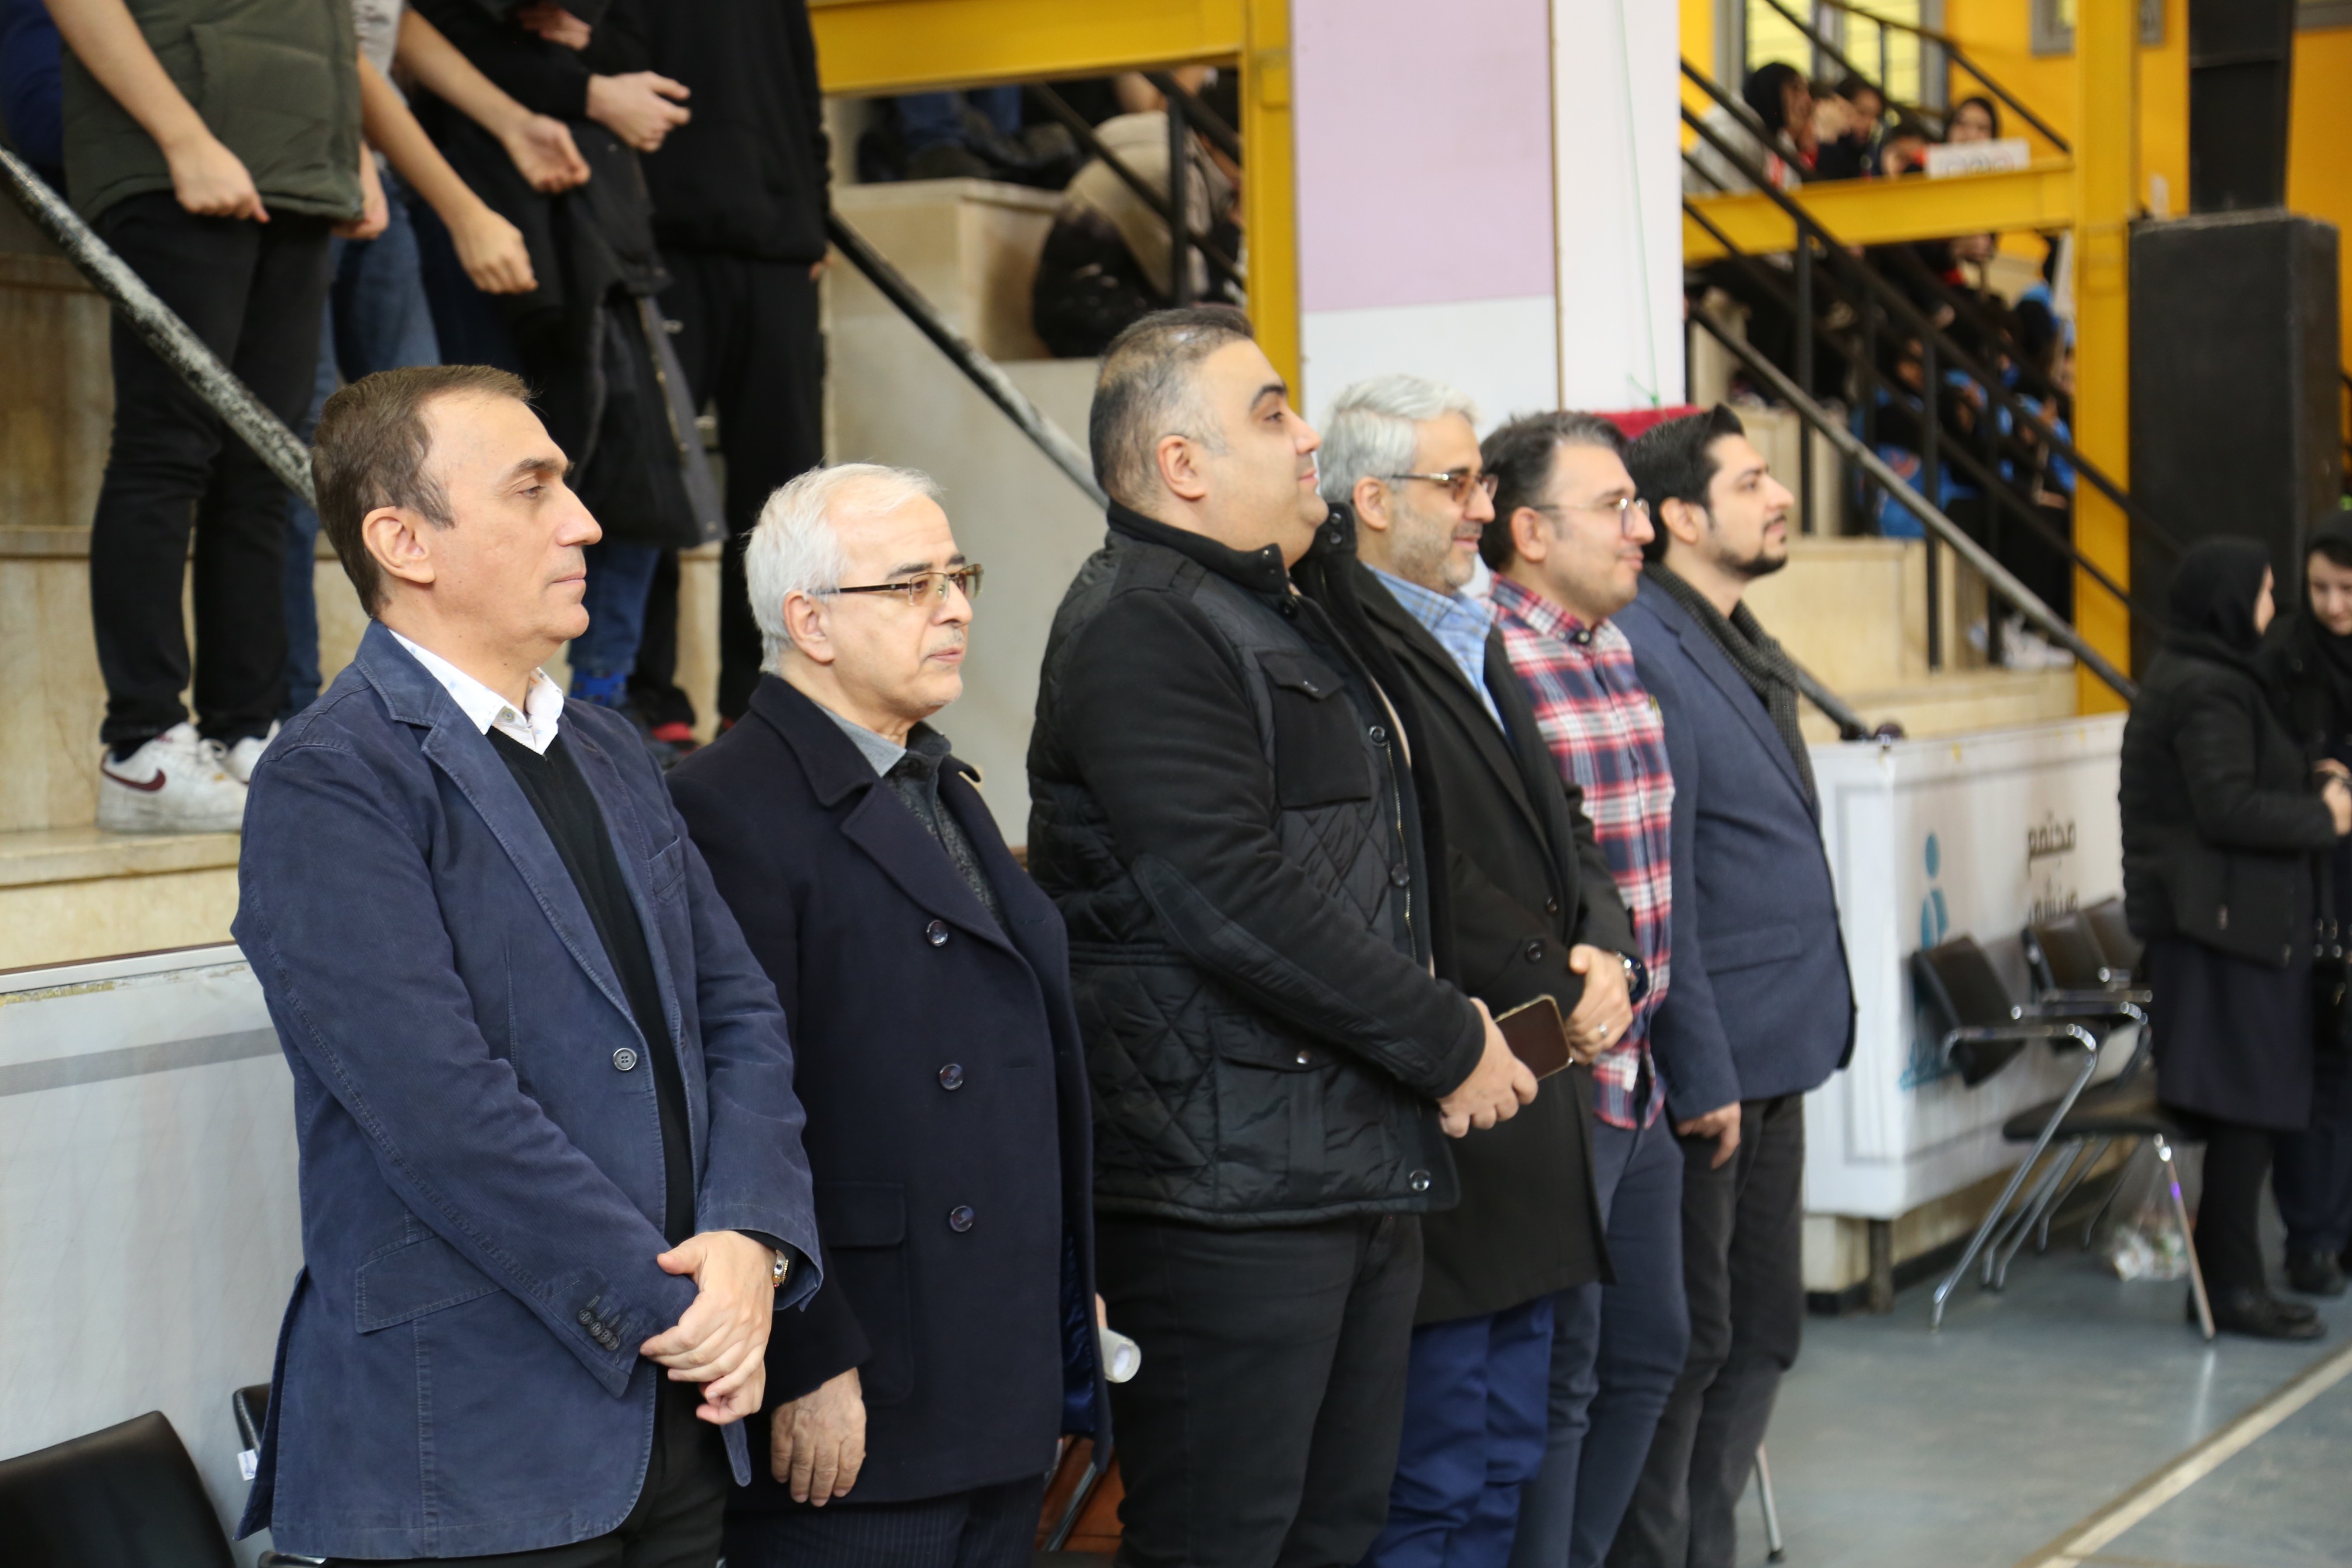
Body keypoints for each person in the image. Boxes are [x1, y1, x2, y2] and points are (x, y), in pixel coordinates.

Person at [233, 363, 820, 1562]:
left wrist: (751, 1244)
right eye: (533, 489)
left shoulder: (608, 745)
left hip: (675, 1419)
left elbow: (737, 1014)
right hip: (473, 1448)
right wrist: (682, 1305)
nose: (585, 522)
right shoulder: (331, 775)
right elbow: (436, 1108)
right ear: (403, 541)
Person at [1026, 307, 1537, 1568]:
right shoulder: (1144, 623)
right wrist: (1443, 1039)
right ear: (1181, 464)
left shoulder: (1275, 604)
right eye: (1270, 414)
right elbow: (1230, 894)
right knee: (1224, 1537)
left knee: (1334, 1532)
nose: (1307, 435)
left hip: (1332, 1163)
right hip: (1225, 1197)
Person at [667, 463, 1110, 1566]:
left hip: (989, 1368)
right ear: (809, 621)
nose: (954, 607)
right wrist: (807, 1357)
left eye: (958, 577)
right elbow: (735, 1108)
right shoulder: (724, 804)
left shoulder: (933, 778)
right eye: (912, 584)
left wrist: (1069, 1292)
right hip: (870, 1388)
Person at [1324, 376, 1638, 1568]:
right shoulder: (1342, 642)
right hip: (1451, 1104)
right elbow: (1420, 862)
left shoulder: (1472, 630)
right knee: (1436, 1480)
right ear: (1369, 498)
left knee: (1506, 1456)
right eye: (1454, 482)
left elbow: (1564, 825)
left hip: (1533, 1098)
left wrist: (1602, 947)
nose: (1479, 508)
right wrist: (1559, 980)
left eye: (1483, 481)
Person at [1610, 405, 1855, 1568]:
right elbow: (1665, 888)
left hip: (1775, 1048)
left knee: (1761, 1330)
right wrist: (1698, 1062)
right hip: (1708, 1067)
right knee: (1692, 1346)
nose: (1780, 496)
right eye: (1751, 481)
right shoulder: (1648, 644)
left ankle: (1705, 1544)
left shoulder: (1737, 638)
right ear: (1680, 517)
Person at [49, 0, 362, 831]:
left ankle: (246, 732)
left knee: (259, 470)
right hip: (179, 153)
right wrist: (181, 136)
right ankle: (143, 746)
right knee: (166, 450)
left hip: (297, 169)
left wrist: (347, 153)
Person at [1480, 414, 1691, 1568]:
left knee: (1651, 1348)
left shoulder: (1612, 649)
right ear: (1528, 531)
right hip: (1564, 1079)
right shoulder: (1493, 662)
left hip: (1638, 1074)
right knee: (1560, 1377)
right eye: (1612, 506)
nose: (1639, 527)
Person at [277, 1, 592, 724]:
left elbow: (395, 26)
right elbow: (332, 37)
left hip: (371, 166)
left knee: (440, 439)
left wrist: (513, 123)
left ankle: (464, 699)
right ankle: (291, 704)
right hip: (309, 159)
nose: (584, 525)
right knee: (312, 449)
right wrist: (461, 206)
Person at [406, 0, 712, 722]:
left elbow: (642, 50)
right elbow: (446, 31)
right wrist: (585, 87)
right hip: (479, 197)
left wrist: (588, 43)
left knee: (635, 467)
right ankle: (487, 688)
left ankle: (599, 699)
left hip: (599, 216)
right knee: (487, 476)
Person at [2120, 536, 2350, 1342]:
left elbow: (2243, 781)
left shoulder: (2216, 678)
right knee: (2241, 1115)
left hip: (2235, 931)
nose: (2272, 608)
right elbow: (2224, 808)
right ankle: (2230, 1291)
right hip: (2217, 937)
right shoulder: (2204, 689)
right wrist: (2322, 816)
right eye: (2264, 592)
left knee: (2245, 1117)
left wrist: (2308, 776)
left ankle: (2229, 1285)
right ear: (2226, 601)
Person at [627, 0, 832, 739]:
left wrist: (815, 211)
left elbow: (803, 92)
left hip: (778, 247)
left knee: (784, 494)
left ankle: (763, 702)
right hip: (662, 240)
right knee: (651, 478)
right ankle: (647, 700)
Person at [2261, 515, 2352, 1298]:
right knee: (2318, 1071)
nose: (2331, 605)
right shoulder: (2282, 658)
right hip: (2312, 894)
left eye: (2345, 589)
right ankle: (2311, 1239)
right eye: (2318, 587)